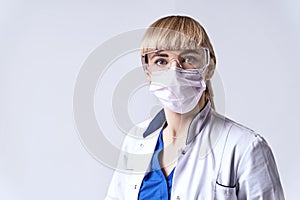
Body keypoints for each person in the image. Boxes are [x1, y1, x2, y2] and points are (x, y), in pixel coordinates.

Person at [105, 15, 285, 200]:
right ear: (147, 71)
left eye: (188, 58)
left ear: (209, 66)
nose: (174, 71)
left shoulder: (245, 147)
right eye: (161, 61)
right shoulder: (135, 141)